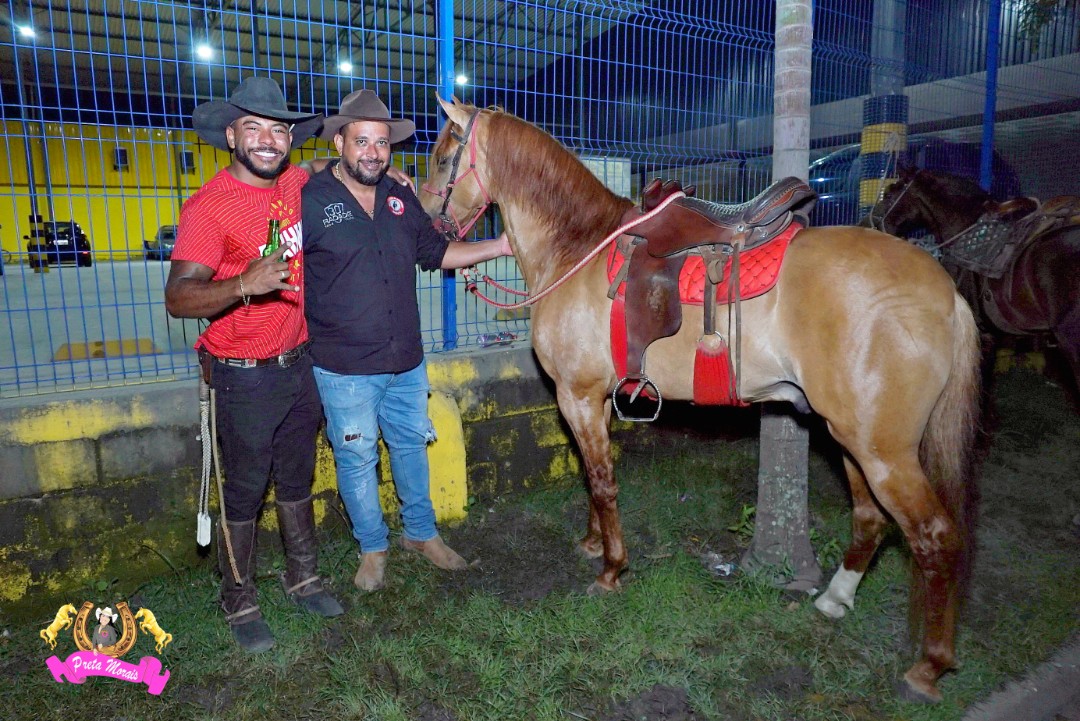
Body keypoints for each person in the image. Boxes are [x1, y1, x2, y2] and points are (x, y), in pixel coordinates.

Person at [301, 90, 513, 592]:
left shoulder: (401, 198)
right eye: (361, 141)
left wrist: (501, 245)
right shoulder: (309, 199)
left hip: (405, 361)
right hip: (345, 368)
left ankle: (421, 534)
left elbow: (436, 252)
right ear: (338, 144)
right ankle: (373, 548)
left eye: (381, 143)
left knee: (411, 446)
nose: (373, 152)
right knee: (357, 460)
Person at [165, 76, 347, 654]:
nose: (268, 140)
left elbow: (323, 170)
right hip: (241, 373)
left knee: (296, 477)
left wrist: (385, 174)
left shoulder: (294, 181)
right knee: (243, 490)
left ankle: (303, 577)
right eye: (254, 128)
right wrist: (243, 283)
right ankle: (238, 599)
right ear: (231, 136)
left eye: (278, 130)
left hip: (299, 363)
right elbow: (177, 298)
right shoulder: (208, 207)